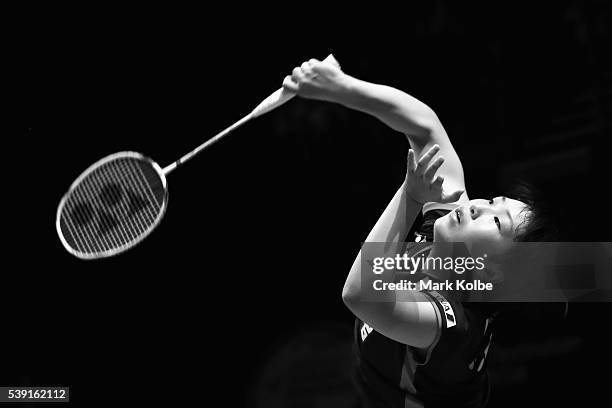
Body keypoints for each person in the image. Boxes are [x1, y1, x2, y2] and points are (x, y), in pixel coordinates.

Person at [283, 56, 560, 407]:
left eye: (495, 221)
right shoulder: (451, 229)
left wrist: (410, 196)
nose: (478, 205)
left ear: (492, 270)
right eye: (493, 200)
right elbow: (426, 128)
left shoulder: (448, 324)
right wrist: (341, 88)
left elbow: (359, 295)